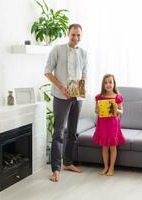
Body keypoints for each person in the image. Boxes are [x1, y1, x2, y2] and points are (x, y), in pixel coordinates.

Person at [44, 24, 88, 182]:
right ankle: (56, 169)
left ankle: (68, 163)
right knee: (58, 132)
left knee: (72, 132)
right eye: (73, 35)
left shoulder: (83, 53)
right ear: (67, 34)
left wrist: (82, 88)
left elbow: (84, 73)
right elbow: (47, 71)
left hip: (77, 97)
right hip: (61, 97)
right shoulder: (57, 50)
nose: (76, 38)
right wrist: (62, 87)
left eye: (78, 35)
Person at [93, 74, 126, 176]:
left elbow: (121, 112)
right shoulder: (99, 97)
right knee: (104, 147)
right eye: (106, 82)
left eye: (110, 82)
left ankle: (111, 168)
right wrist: (98, 110)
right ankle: (106, 167)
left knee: (112, 146)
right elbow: (96, 111)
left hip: (112, 124)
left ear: (114, 83)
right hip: (102, 124)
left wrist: (117, 109)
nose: (108, 84)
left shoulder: (118, 97)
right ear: (103, 84)